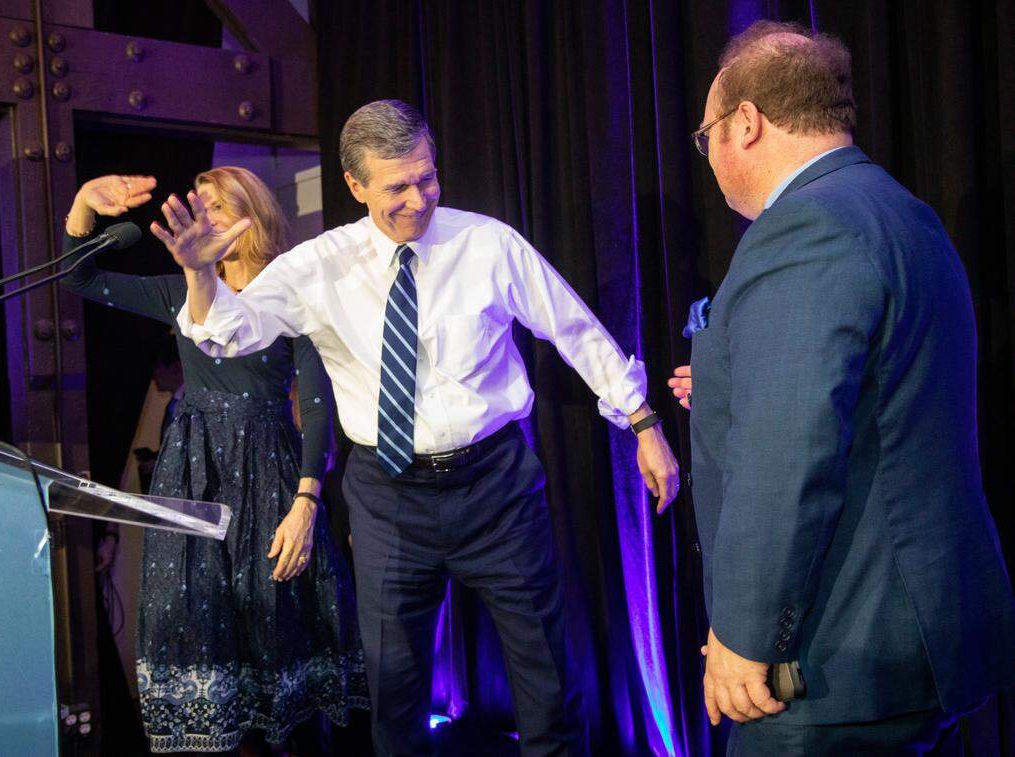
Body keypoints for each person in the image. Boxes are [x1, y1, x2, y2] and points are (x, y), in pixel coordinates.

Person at [151, 100, 680, 756]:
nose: (417, 198)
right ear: (355, 185)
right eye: (396, 185)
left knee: (547, 683)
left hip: (497, 487)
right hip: (388, 494)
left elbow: (572, 327)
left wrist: (643, 422)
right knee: (396, 697)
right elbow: (228, 334)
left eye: (427, 177)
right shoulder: (319, 265)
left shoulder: (486, 243)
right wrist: (200, 274)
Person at [685, 20, 1015, 754]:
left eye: (706, 136)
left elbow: (788, 454)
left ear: (746, 123)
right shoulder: (900, 211)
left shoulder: (806, 229)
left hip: (836, 655)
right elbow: (877, 394)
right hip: (911, 629)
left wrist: (743, 629)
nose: (708, 157)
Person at [61, 167, 369, 753]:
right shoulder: (180, 290)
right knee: (196, 623)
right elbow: (80, 280)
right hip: (192, 467)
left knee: (275, 626)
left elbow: (317, 406)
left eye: (215, 210)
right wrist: (83, 205)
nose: (201, 222)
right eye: (196, 210)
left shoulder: (291, 292)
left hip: (270, 472)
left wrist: (306, 502)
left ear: (251, 217)